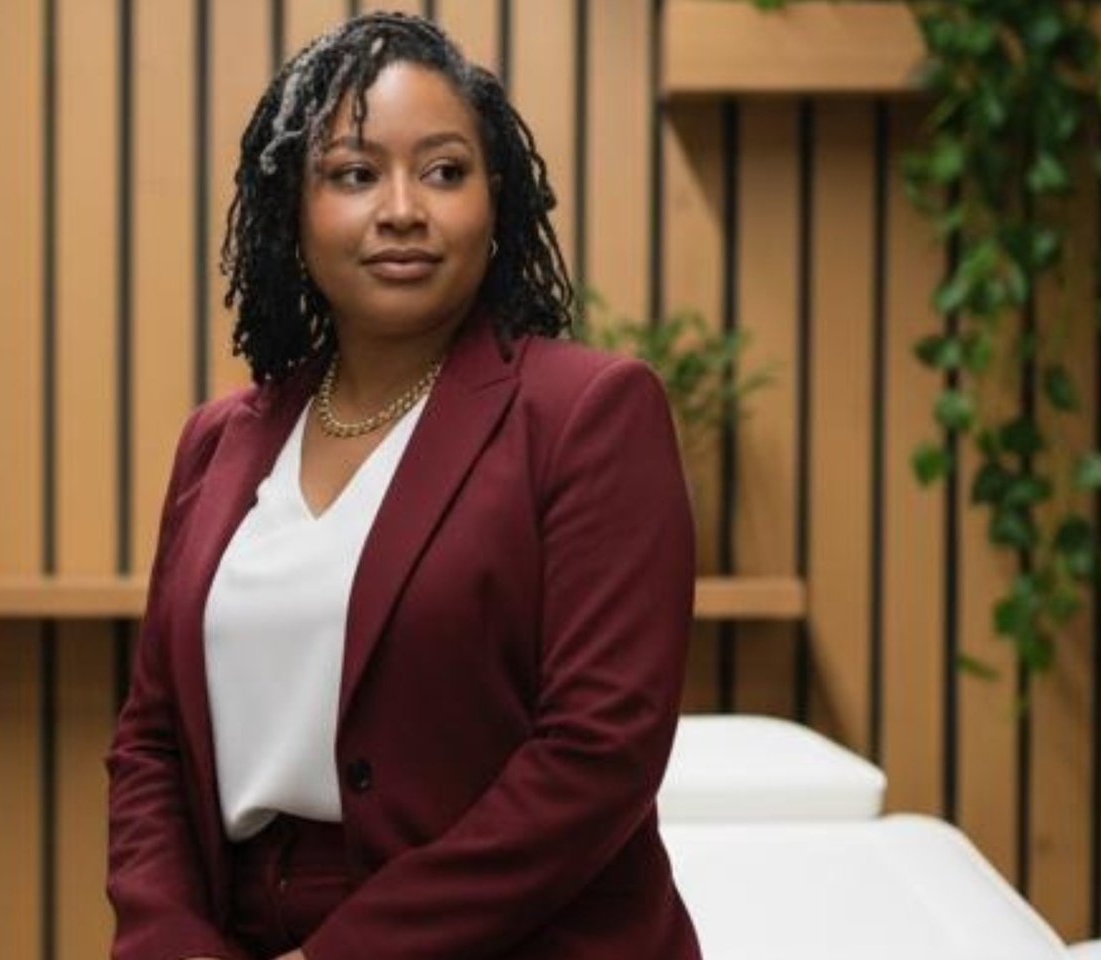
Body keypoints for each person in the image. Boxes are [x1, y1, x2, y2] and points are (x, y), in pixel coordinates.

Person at [105, 13, 700, 960]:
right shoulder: (221, 442)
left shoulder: (588, 413)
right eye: (353, 173)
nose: (402, 210)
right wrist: (170, 943)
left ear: (494, 200)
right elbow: (152, 745)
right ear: (291, 210)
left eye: (444, 170)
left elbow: (598, 754)